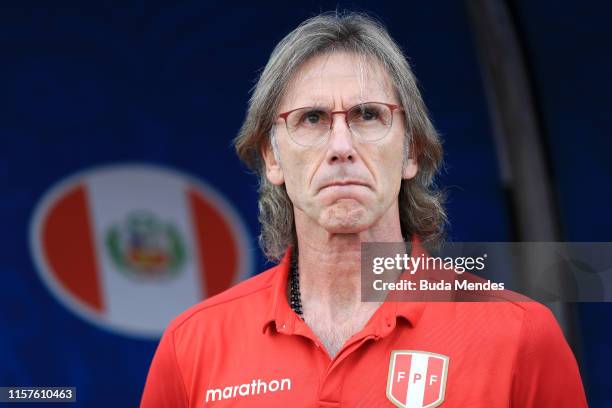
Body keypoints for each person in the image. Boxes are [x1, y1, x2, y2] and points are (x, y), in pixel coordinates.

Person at [141, 12, 587, 407]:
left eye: (368, 115)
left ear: (411, 150)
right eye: (312, 119)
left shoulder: (520, 335)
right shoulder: (192, 346)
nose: (341, 147)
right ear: (272, 158)